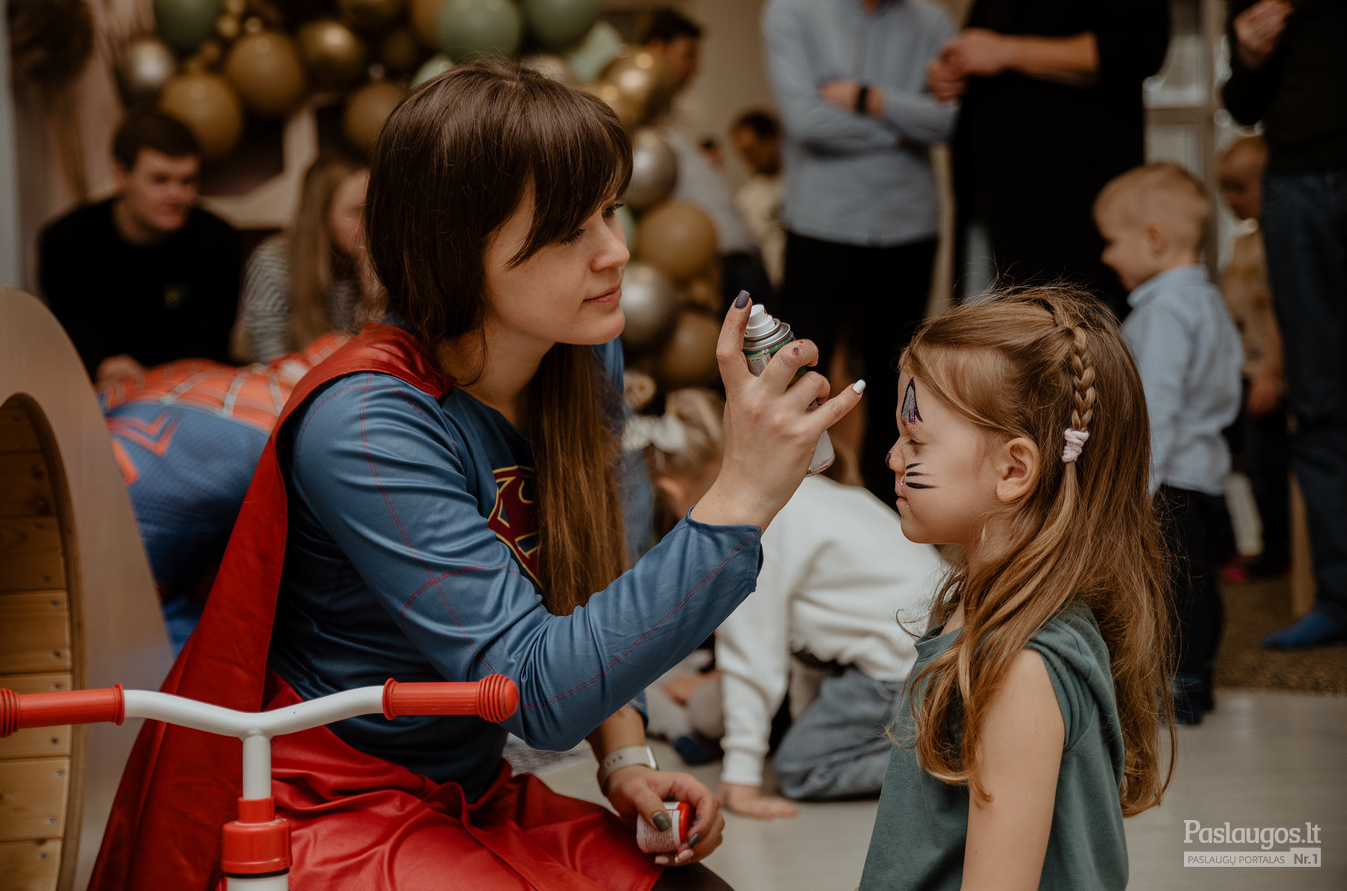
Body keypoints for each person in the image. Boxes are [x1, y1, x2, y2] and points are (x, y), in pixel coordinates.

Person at [89, 61, 863, 891]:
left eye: (610, 211)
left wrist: (625, 760)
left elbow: (587, 581)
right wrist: (740, 494)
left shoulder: (578, 355)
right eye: (568, 231)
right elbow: (534, 693)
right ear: (453, 247)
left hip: (466, 788)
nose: (616, 251)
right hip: (322, 799)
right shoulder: (367, 423)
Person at [859, 286, 1173, 890]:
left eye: (915, 440)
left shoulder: (1019, 666)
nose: (893, 457)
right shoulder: (981, 610)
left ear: (1013, 469)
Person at [636, 388, 943, 819]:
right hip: (931, 649)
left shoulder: (749, 529)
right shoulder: (797, 495)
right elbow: (804, 653)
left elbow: (754, 659)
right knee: (782, 733)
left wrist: (740, 779)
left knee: (800, 769)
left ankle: (950, 763)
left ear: (670, 488)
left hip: (906, 668)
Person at [762, 0, 958, 509]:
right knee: (800, 375)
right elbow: (805, 121)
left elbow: (950, 123)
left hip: (910, 226)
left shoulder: (933, 20)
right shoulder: (792, 9)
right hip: (820, 224)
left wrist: (870, 99)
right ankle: (794, 511)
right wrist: (905, 126)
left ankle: (892, 514)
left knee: (901, 380)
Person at [1093, 164, 1242, 724]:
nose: (1106, 256)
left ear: (1154, 239)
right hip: (1203, 472)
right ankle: (1197, 679)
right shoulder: (1206, 301)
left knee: (1174, 589)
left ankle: (1180, 685)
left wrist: (1133, 489)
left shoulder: (1163, 314)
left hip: (1169, 480)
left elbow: (1154, 410)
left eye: (1113, 241)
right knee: (1196, 583)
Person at [1222, 0, 1347, 649]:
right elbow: (1242, 103)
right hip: (1295, 181)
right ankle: (1338, 595)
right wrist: (1247, 54)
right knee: (1317, 400)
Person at [926, 0, 1170, 317]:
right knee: (982, 335)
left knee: (1063, 331)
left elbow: (1137, 47)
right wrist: (955, 73)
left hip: (1066, 204)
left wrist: (1007, 51)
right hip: (988, 196)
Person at [38, 109, 242, 389]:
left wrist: (146, 377)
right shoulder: (66, 241)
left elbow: (209, 345)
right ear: (120, 175)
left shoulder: (219, 240)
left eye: (187, 181)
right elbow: (73, 341)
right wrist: (106, 370)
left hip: (190, 390)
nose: (176, 195)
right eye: (160, 180)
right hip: (91, 389)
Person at [642, 8, 775, 311]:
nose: (696, 68)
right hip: (722, 265)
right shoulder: (641, 128)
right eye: (688, 55)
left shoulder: (670, 123)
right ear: (657, 49)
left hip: (742, 262)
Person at [1216, 135, 1290, 581]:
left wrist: (1271, 374)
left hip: (1269, 374)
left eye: (1240, 187)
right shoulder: (1244, 242)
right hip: (1243, 370)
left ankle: (1278, 554)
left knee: (1268, 468)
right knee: (1248, 463)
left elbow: (1285, 314)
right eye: (1224, 188)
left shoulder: (1282, 244)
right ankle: (1249, 545)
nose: (1230, 199)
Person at [238, 153, 370, 363]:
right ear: (322, 218)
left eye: (373, 210)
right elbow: (270, 356)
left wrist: (373, 286)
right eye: (357, 212)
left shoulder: (369, 261)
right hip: (294, 376)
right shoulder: (273, 261)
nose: (370, 224)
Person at [728, 110, 786, 292]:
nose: (748, 159)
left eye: (751, 150)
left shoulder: (804, 184)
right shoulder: (745, 199)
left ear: (773, 141)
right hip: (775, 291)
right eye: (742, 154)